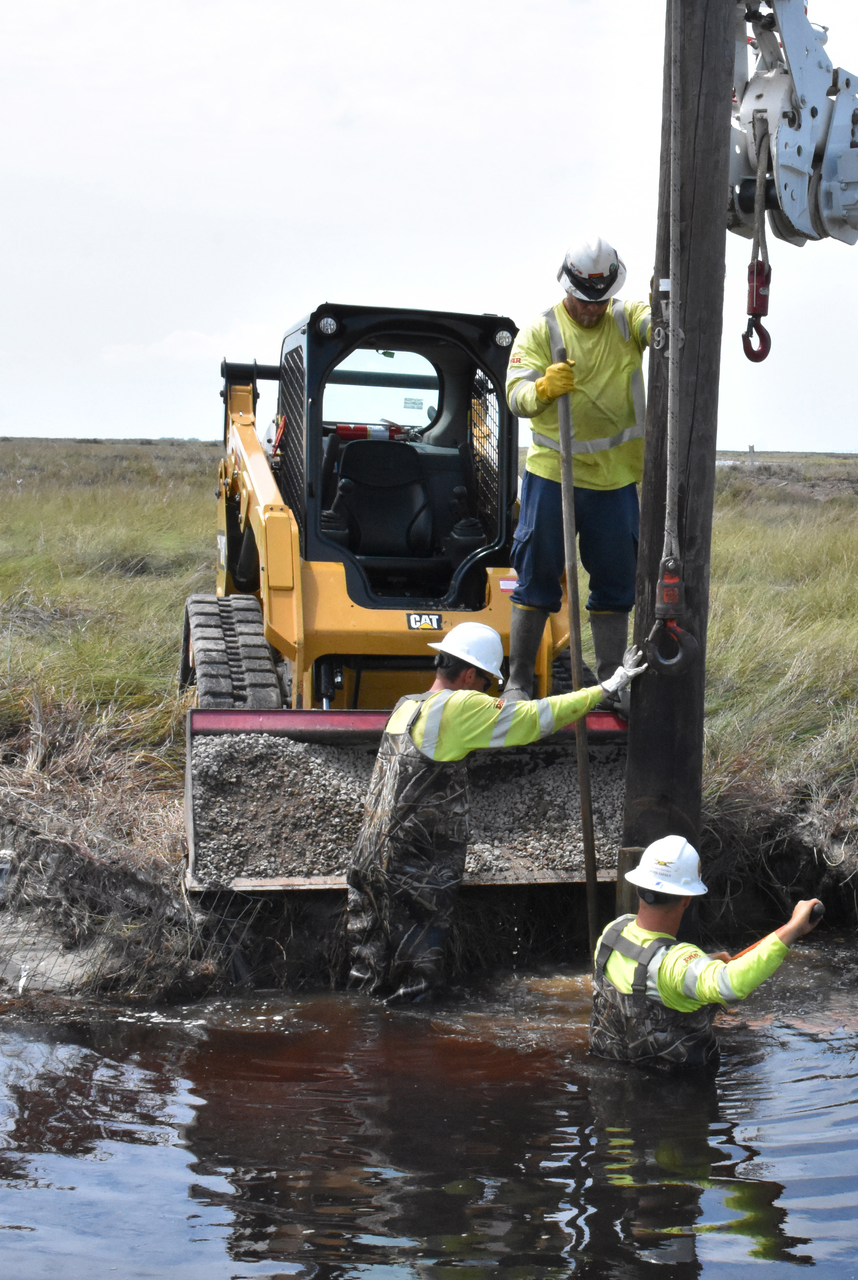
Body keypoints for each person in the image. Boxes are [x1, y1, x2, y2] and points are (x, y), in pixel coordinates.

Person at [345, 621, 647, 1003]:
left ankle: (359, 1045)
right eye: (488, 682)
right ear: (470, 674)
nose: (489, 691)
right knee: (413, 985)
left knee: (368, 973)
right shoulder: (459, 705)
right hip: (413, 869)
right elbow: (534, 717)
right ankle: (407, 1055)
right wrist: (605, 688)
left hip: (368, 861)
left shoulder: (407, 706)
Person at [504, 237, 653, 709]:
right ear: (566, 288)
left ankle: (611, 682)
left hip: (615, 481)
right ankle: (519, 681)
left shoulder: (627, 320)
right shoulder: (540, 332)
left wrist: (663, 312)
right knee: (537, 576)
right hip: (554, 475)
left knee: (615, 582)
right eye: (583, 302)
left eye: (599, 302)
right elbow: (515, 395)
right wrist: (544, 388)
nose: (591, 311)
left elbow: (658, 325)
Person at [590, 836, 823, 1074]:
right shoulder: (678, 963)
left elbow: (647, 969)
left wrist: (704, 963)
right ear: (687, 899)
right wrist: (793, 928)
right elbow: (729, 985)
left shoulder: (614, 931)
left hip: (612, 1081)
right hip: (679, 1099)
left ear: (639, 888)